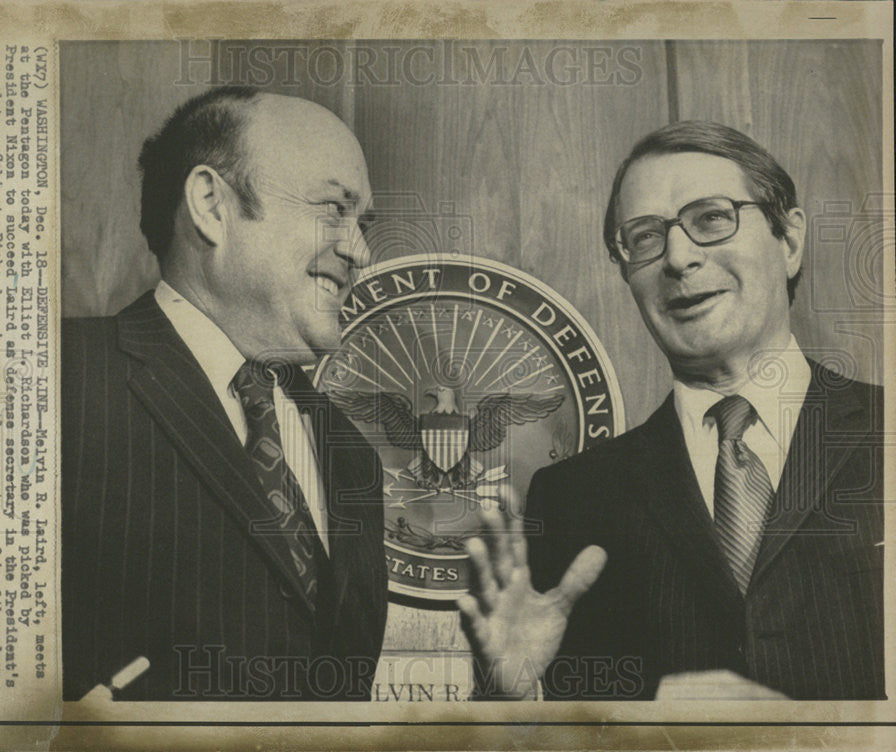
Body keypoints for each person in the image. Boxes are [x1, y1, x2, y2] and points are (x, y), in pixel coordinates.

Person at [458, 121, 884, 701]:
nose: (678, 258)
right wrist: (510, 700)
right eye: (645, 237)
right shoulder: (571, 498)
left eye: (711, 218)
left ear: (789, 241)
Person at [61, 86, 388, 701]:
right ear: (212, 205)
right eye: (334, 208)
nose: (360, 250)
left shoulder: (352, 452)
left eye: (362, 222)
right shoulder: (53, 384)